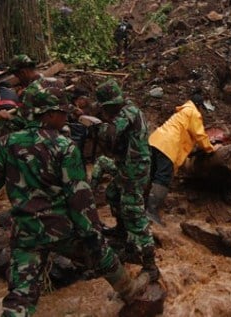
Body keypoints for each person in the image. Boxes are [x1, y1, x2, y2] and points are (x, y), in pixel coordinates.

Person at [0, 78, 149, 316]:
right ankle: (130, 293)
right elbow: (80, 201)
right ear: (49, 114)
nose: (66, 117)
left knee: (20, 298)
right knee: (103, 257)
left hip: (27, 234)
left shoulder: (5, 145)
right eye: (63, 112)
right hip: (64, 231)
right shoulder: (64, 147)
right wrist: (93, 236)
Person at [95, 79, 160, 282]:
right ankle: (123, 236)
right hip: (127, 167)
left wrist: (96, 127)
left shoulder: (127, 113)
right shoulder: (126, 111)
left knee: (134, 211)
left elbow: (111, 133)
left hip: (136, 169)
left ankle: (150, 265)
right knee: (113, 194)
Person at [147, 94, 220, 225]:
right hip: (168, 146)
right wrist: (211, 149)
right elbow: (199, 135)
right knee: (163, 178)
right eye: (203, 109)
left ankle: (140, 207)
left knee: (152, 175)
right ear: (199, 106)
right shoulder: (193, 113)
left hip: (155, 141)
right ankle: (150, 211)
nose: (203, 112)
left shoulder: (183, 111)